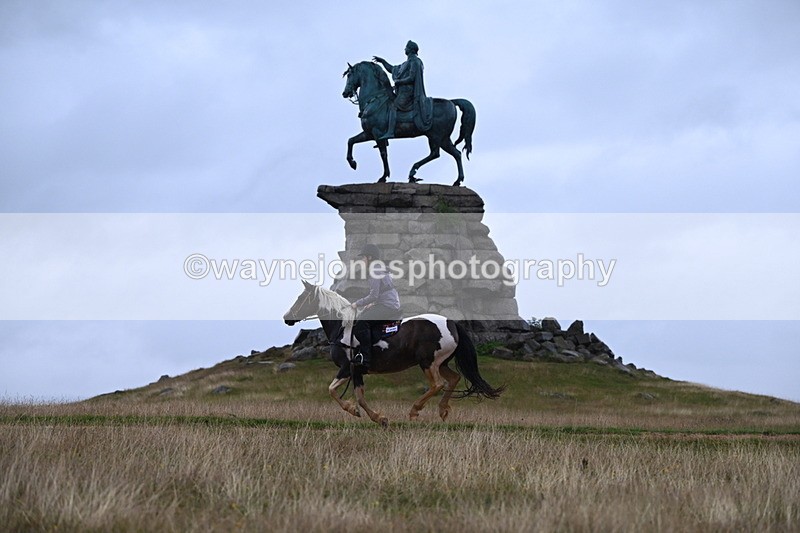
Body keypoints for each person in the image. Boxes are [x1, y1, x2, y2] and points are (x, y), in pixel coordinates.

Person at [350, 244, 402, 370]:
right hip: (389, 303)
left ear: (370, 257)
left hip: (388, 306)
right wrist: (372, 304)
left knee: (361, 324)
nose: (362, 261)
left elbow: (373, 295)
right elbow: (381, 294)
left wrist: (357, 303)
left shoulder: (374, 271)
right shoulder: (381, 268)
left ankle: (365, 358)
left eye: (363, 258)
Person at [373, 40, 433, 140]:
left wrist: (399, 82)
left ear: (410, 50)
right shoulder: (406, 63)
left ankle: (390, 132)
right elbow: (392, 69)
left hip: (408, 92)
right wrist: (383, 61)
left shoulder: (415, 61)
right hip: (402, 91)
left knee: (393, 106)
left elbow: (412, 77)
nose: (405, 49)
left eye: (406, 48)